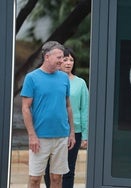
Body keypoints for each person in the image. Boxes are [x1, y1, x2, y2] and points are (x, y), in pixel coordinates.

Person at [21, 41, 76, 188]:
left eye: (62, 57)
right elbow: (25, 108)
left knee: (57, 178)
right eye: (59, 57)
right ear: (47, 56)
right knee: (34, 179)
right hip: (39, 138)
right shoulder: (32, 78)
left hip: (61, 137)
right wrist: (32, 135)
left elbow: (68, 106)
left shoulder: (64, 78)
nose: (62, 60)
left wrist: (71, 133)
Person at [44, 47, 89, 188]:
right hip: (52, 130)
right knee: (48, 169)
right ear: (58, 61)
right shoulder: (51, 80)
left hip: (74, 131)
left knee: (69, 169)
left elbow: (85, 110)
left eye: (71, 60)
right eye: (65, 59)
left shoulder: (80, 83)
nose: (69, 63)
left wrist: (85, 135)